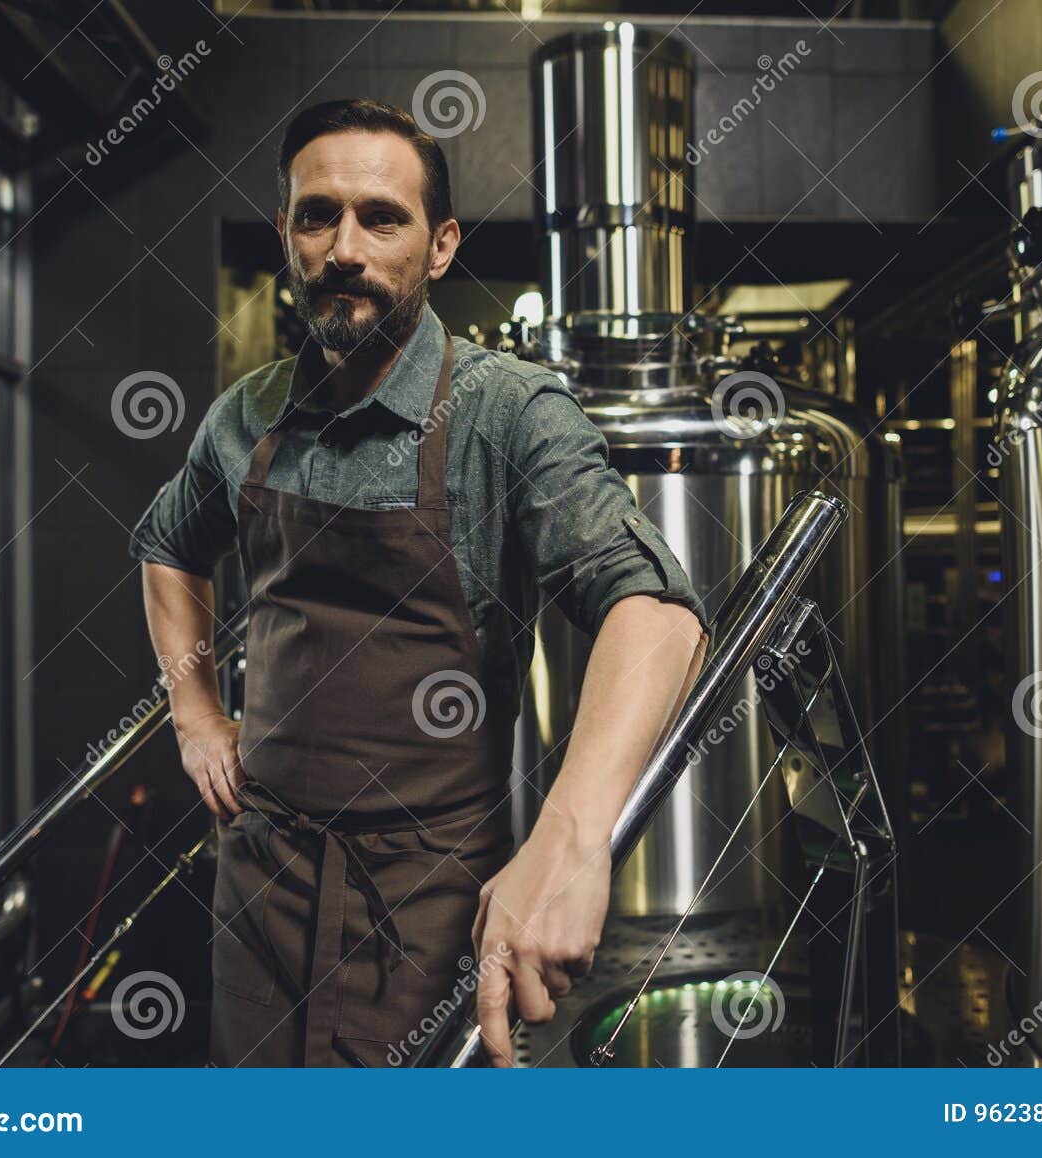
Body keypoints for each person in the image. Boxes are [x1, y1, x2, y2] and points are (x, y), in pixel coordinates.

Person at [128, 98, 705, 1067]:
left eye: (380, 218)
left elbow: (655, 613)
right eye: (317, 216)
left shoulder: (508, 415)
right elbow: (165, 545)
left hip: (430, 897)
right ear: (286, 234)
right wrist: (193, 715)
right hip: (258, 884)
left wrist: (568, 838)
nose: (343, 247)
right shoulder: (245, 417)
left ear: (439, 248)